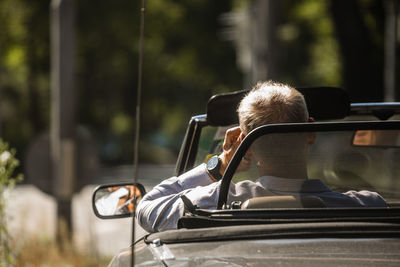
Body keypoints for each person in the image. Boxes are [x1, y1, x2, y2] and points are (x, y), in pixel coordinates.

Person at [136, 81, 387, 233]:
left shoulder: (211, 202)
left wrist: (219, 166)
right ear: (311, 132)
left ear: (247, 145)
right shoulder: (368, 207)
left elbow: (146, 208)